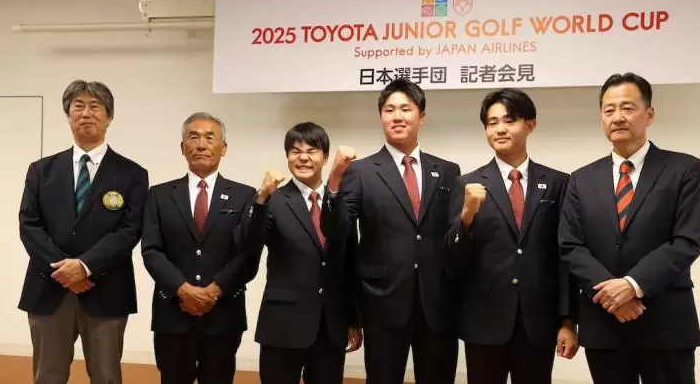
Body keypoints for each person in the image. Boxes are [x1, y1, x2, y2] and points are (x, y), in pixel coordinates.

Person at [559, 72, 700, 384]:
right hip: (604, 323)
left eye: (627, 108)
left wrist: (633, 284)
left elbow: (686, 241)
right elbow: (570, 246)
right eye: (609, 110)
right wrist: (612, 294)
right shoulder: (580, 179)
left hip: (665, 322)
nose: (618, 117)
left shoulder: (684, 169)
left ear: (649, 114)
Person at [321, 79, 461, 384]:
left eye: (406, 109)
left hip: (437, 304)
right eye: (389, 110)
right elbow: (335, 229)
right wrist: (334, 179)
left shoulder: (448, 171)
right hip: (381, 302)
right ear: (381, 116)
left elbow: (454, 238)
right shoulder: (360, 171)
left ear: (421, 116)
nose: (397, 116)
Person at [444, 88, 579, 384]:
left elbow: (565, 256)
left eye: (509, 120)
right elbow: (453, 259)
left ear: (530, 125)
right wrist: (466, 215)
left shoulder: (558, 183)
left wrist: (568, 321)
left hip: (538, 322)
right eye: (492, 123)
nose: (500, 129)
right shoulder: (466, 184)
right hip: (484, 322)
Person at [18, 80, 149, 384]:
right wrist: (64, 271)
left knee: (106, 377)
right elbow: (29, 225)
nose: (86, 113)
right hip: (49, 288)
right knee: (47, 376)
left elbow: (130, 230)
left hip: (106, 289)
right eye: (78, 106)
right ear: (68, 116)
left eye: (95, 106)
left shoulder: (132, 173)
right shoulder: (41, 170)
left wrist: (85, 266)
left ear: (109, 117)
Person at [141, 112, 262, 384]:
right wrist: (184, 290)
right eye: (193, 137)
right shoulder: (159, 195)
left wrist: (213, 292)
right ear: (182, 147)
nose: (201, 145)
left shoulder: (245, 195)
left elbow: (249, 253)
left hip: (223, 314)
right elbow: (151, 251)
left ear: (223, 148)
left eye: (210, 137)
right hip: (173, 313)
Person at [238, 122, 363, 384]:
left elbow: (349, 262)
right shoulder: (272, 200)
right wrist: (261, 198)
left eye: (312, 151)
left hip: (330, 326)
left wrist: (353, 319)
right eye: (295, 151)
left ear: (325, 158)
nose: (303, 157)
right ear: (287, 157)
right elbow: (248, 245)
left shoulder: (341, 202)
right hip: (283, 325)